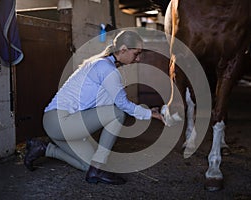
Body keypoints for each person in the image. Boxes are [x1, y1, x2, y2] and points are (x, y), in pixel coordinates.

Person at [24, 30, 164, 185]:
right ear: (123, 49)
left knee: (87, 165)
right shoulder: (106, 68)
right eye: (136, 53)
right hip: (60, 121)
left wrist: (148, 111)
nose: (138, 58)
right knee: (117, 114)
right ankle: (97, 168)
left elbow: (110, 102)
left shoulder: (103, 64)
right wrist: (152, 115)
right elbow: (122, 105)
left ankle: (43, 148)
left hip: (59, 124)